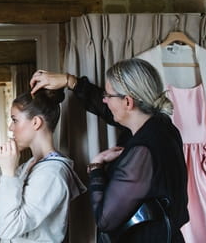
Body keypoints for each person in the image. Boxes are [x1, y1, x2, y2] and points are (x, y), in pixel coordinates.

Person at [29, 58, 189, 243]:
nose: (104, 100)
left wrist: (96, 169)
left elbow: (105, 219)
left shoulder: (142, 152)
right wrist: (70, 81)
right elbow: (108, 111)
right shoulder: (160, 125)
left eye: (108, 95)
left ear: (128, 102)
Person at [0, 88, 86, 242]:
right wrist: (5, 161)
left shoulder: (52, 174)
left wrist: (9, 174)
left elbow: (8, 229)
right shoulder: (32, 163)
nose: (10, 128)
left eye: (15, 120)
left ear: (36, 122)